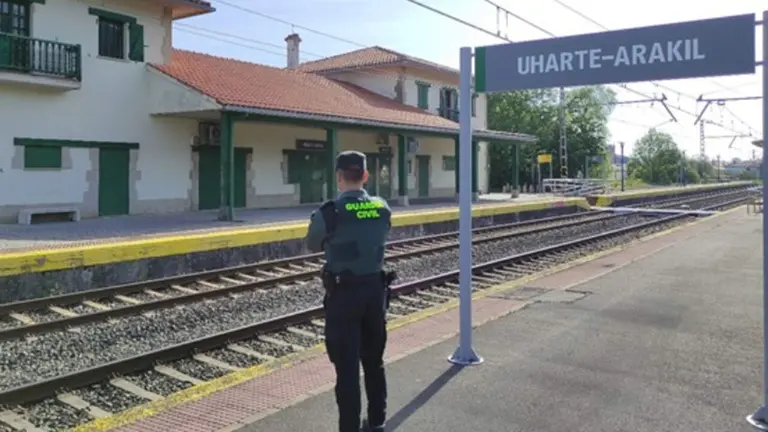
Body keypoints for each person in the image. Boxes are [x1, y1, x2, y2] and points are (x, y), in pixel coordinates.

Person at [306, 151, 395, 432]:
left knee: (347, 371)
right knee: (374, 361)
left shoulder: (329, 213)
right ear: (365, 176)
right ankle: (377, 421)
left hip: (343, 297)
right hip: (375, 294)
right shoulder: (382, 207)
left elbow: (312, 243)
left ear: (338, 177)